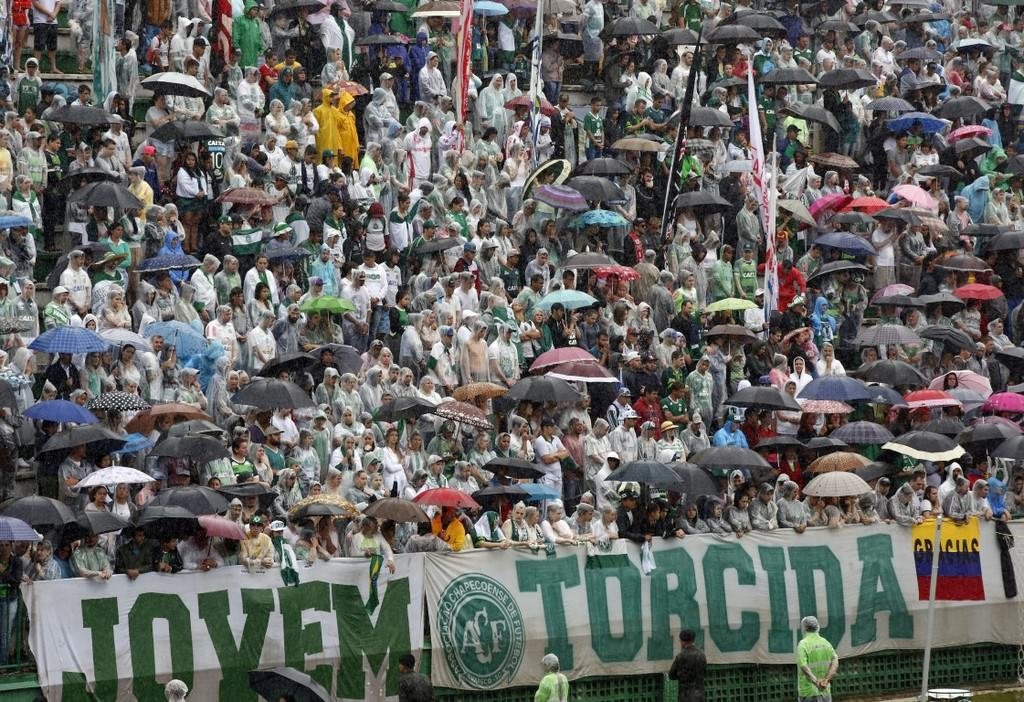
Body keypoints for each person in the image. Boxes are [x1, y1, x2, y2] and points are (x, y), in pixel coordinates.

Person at [796, 615, 838, 702]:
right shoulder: (826, 643)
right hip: (825, 691)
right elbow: (835, 661)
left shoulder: (803, 644)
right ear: (817, 626)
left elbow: (803, 666)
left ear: (804, 628)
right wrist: (826, 680)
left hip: (808, 692)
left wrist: (816, 682)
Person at [668, 629, 706, 702]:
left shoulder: (680, 656)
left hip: (685, 696)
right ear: (693, 640)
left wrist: (681, 675)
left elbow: (671, 675)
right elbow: (704, 672)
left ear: (682, 641)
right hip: (699, 696)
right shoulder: (702, 655)